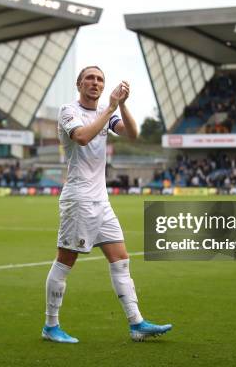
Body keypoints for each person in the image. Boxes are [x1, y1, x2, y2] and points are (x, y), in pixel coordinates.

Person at [41, 66, 172, 343]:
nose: (95, 82)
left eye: (100, 79)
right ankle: (50, 326)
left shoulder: (108, 113)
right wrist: (110, 106)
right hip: (79, 200)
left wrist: (121, 106)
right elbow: (82, 137)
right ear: (79, 84)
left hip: (102, 201)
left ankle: (137, 323)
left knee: (121, 260)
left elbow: (133, 134)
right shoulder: (69, 111)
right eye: (90, 78)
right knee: (65, 262)